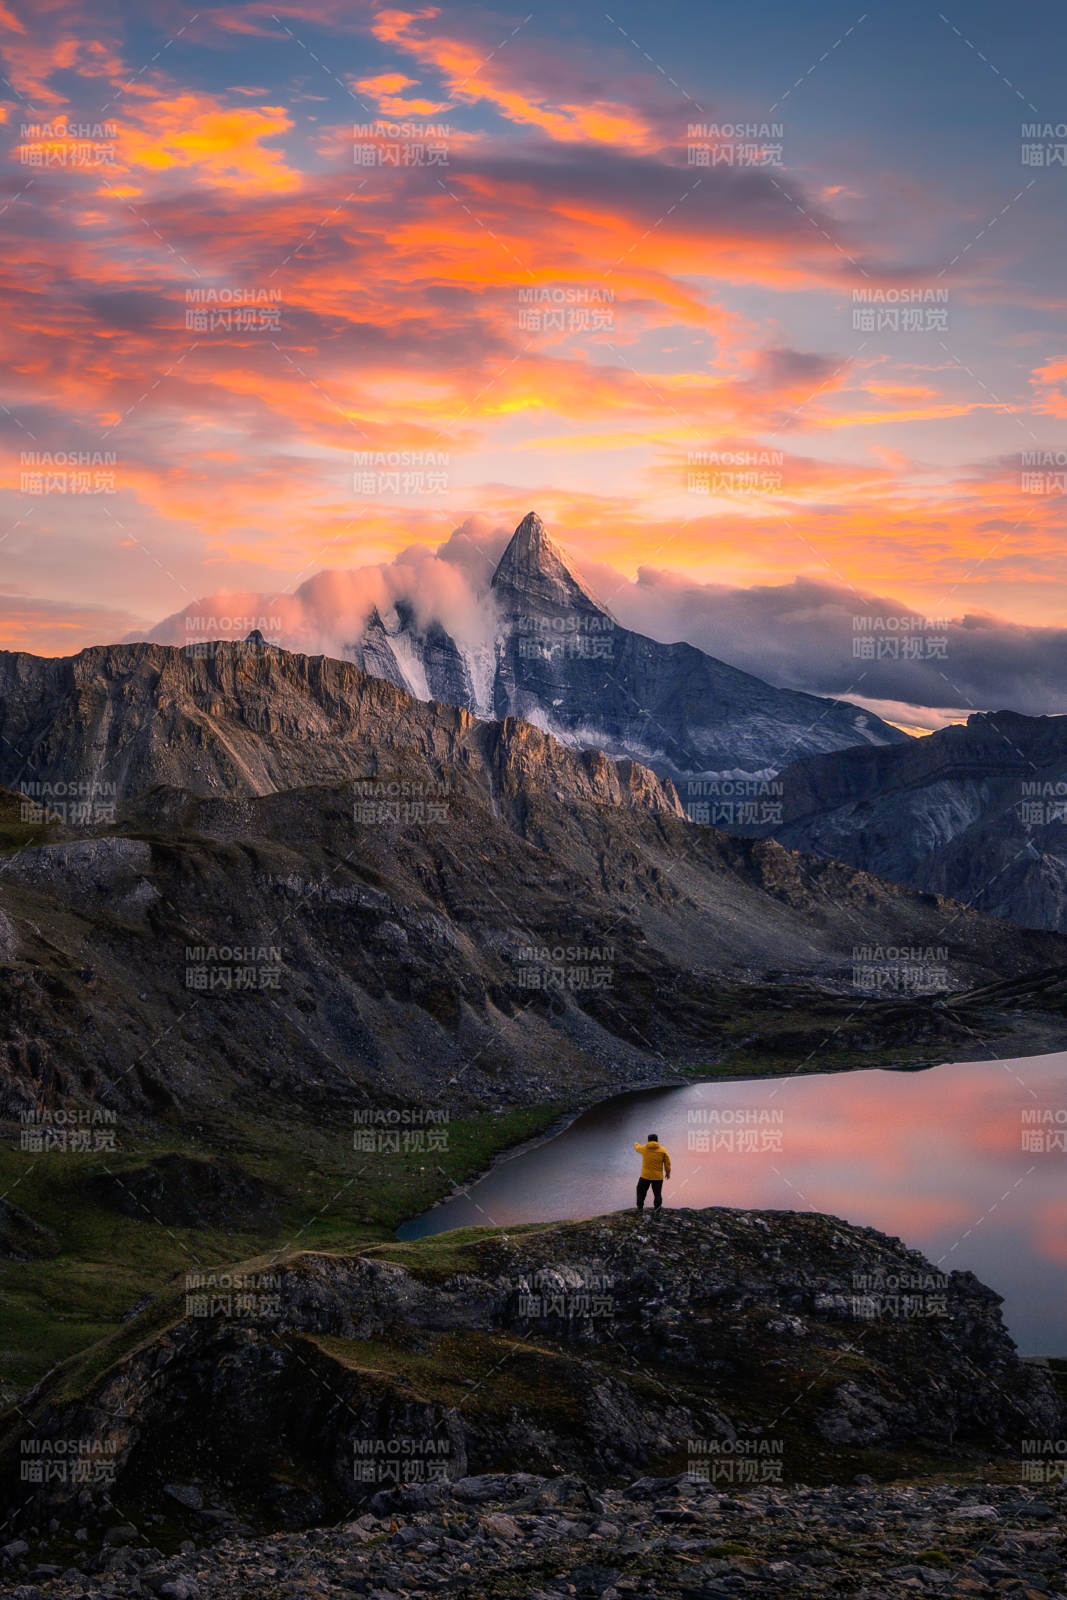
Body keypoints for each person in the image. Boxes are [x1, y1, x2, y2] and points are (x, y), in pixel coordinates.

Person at [633, 1133, 670, 1210]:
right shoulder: (663, 1150)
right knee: (657, 1194)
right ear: (657, 1140)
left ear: (648, 1140)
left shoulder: (644, 1148)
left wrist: (635, 1143)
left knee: (640, 1191)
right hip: (658, 1177)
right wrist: (667, 1173)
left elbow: (637, 1148)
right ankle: (657, 1210)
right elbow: (667, 1163)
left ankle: (640, 1208)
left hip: (645, 1176)